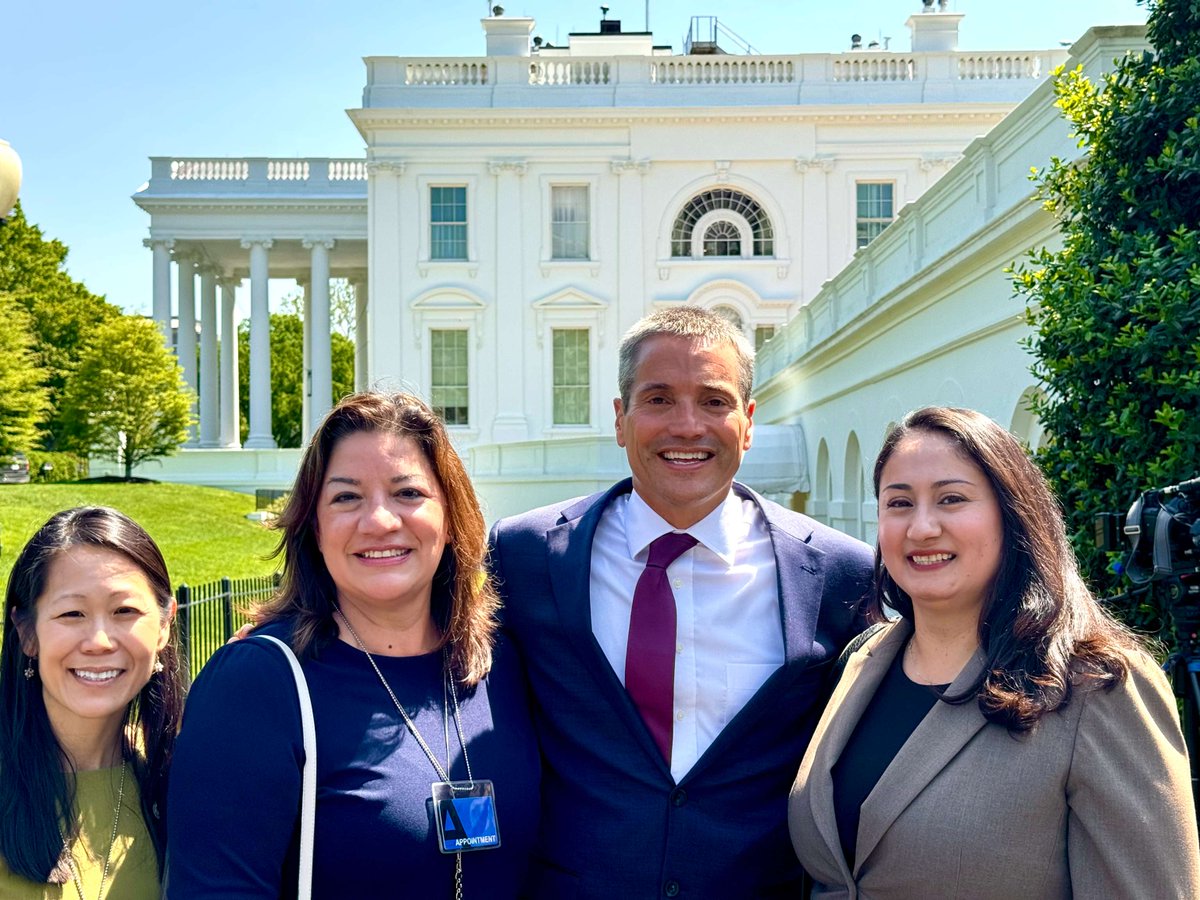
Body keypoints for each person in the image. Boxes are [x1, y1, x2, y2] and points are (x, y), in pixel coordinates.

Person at [489, 306, 874, 897]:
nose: (688, 425)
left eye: (715, 401)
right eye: (659, 399)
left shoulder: (840, 574)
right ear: (621, 419)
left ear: (748, 422)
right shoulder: (524, 555)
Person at [789, 406, 1200, 898]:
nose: (921, 528)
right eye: (899, 503)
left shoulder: (1099, 688)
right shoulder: (859, 661)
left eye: (952, 499)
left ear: (1013, 516)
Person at [165, 391, 539, 898]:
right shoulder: (257, 685)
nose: (380, 521)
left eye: (408, 493)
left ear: (450, 518)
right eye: (346, 497)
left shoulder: (505, 667)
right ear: (313, 528)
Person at [0, 506, 185, 899]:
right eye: (72, 613)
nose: (99, 641)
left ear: (165, 624)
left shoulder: (183, 783)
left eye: (125, 611)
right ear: (27, 632)